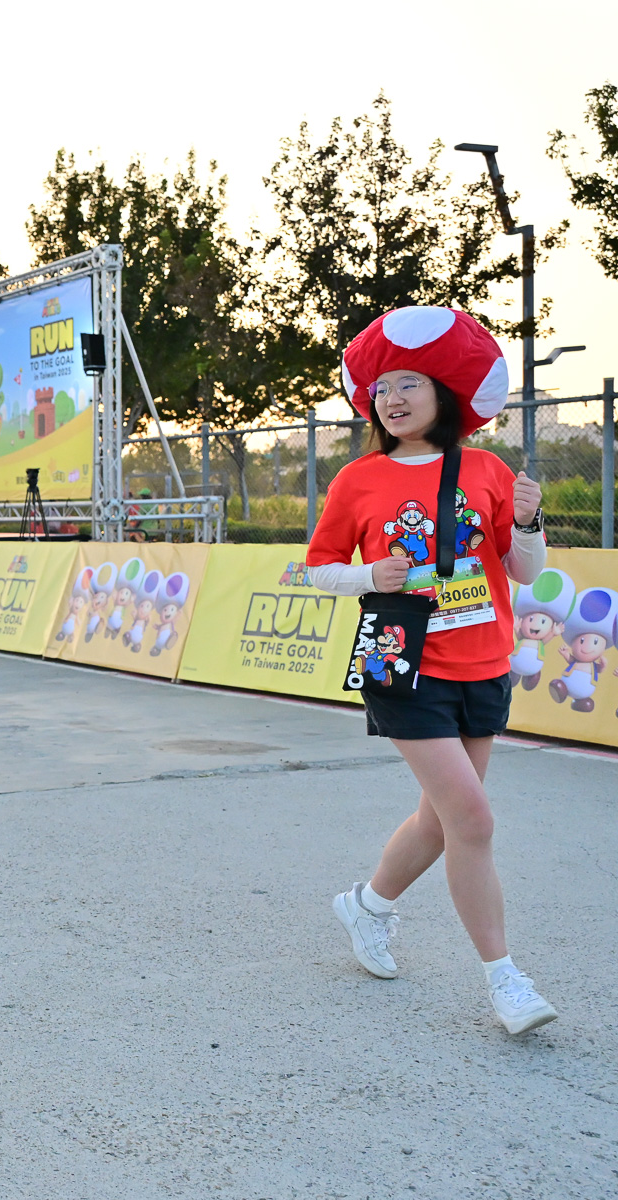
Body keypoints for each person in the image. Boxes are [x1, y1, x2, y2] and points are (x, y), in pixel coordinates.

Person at [308, 306, 555, 1036]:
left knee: (439, 820)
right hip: (402, 662)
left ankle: (367, 907)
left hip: (484, 663)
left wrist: (530, 523)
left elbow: (524, 570)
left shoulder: (486, 470)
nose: (392, 398)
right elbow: (317, 568)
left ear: (444, 393)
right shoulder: (358, 479)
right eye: (382, 387)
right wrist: (368, 576)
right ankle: (505, 979)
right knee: (471, 817)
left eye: (409, 383)